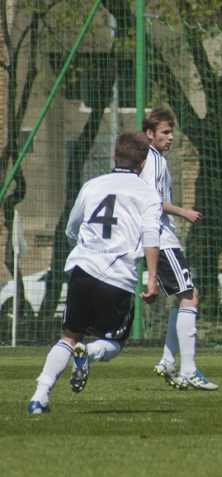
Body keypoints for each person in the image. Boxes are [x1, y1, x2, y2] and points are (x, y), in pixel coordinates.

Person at [28, 131, 162, 414]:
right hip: (117, 279)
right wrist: (151, 278)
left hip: (82, 272)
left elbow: (71, 229)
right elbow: (151, 235)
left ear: (115, 155)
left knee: (69, 336)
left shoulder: (92, 185)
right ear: (142, 163)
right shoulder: (147, 193)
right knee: (113, 342)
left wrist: (87, 251)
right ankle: (87, 353)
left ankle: (40, 396)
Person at [141, 107, 217, 391]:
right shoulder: (153, 160)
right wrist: (184, 212)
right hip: (160, 239)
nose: (171, 137)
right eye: (165, 132)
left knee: (188, 295)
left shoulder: (154, 159)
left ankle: (167, 361)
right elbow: (152, 202)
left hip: (162, 238)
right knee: (189, 297)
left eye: (171, 132)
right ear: (150, 134)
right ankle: (188, 369)